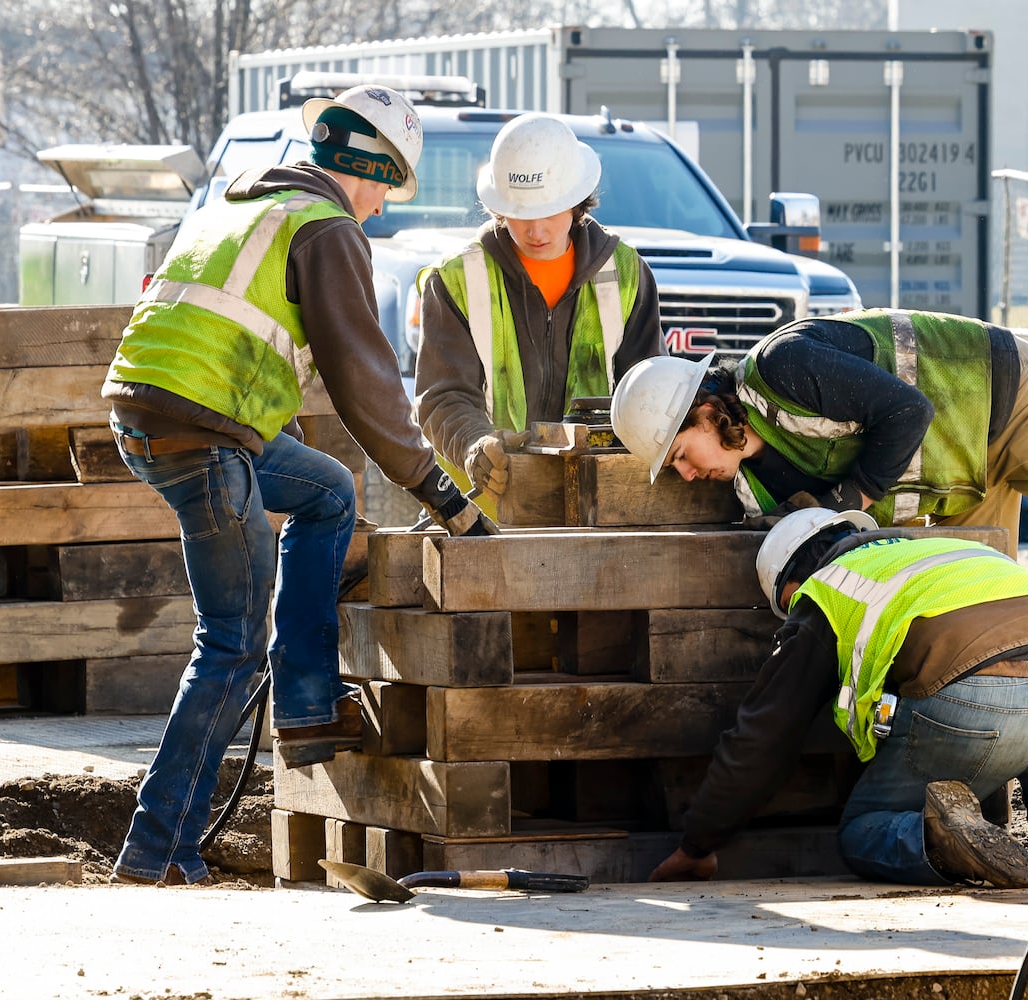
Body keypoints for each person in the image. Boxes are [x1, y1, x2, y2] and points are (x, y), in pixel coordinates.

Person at [102, 84, 495, 887]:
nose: (382, 207)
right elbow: (367, 384)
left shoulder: (239, 208)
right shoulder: (327, 229)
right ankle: (156, 850)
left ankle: (309, 702)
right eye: (387, 185)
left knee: (325, 490)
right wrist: (442, 494)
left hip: (164, 420)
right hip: (204, 440)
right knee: (230, 645)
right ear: (365, 166)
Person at [648, 508, 1028, 888]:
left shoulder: (827, 587)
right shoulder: (959, 553)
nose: (795, 615)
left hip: (976, 709)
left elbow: (765, 735)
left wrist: (697, 844)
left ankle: (935, 837)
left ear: (794, 580)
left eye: (790, 606)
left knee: (864, 830)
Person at [610, 308, 1028, 556]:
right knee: (987, 601)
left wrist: (846, 501)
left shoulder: (783, 366)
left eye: (680, 455)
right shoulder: (756, 489)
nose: (685, 474)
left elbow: (908, 411)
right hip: (960, 472)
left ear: (705, 411)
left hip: (998, 393)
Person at [415, 111, 664, 513]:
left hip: (601, 507)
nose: (536, 231)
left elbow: (650, 393)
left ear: (577, 201)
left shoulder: (626, 274)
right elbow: (442, 397)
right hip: (490, 510)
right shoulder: (457, 280)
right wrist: (475, 445)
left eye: (549, 212)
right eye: (522, 215)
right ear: (499, 207)